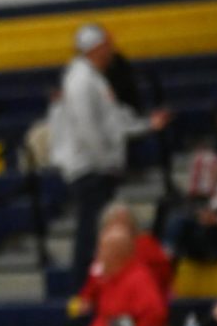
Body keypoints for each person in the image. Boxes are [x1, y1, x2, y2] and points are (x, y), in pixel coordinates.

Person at [50, 24, 170, 287]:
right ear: (95, 48)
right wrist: (106, 162)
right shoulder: (81, 80)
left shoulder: (94, 78)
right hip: (90, 168)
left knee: (97, 232)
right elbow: (88, 128)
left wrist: (147, 124)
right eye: (106, 46)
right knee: (91, 233)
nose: (111, 51)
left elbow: (114, 121)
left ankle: (94, 288)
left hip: (98, 166)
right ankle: (82, 290)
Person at [79, 225, 168, 326]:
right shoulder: (108, 277)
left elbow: (155, 314)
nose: (97, 255)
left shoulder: (138, 279)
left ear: (116, 253)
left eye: (102, 249)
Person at [78, 203, 173, 303]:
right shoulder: (101, 259)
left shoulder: (145, 247)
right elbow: (88, 293)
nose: (118, 231)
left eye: (123, 224)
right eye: (114, 225)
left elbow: (162, 280)